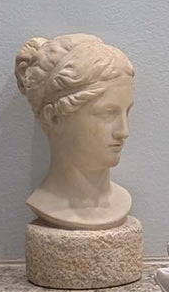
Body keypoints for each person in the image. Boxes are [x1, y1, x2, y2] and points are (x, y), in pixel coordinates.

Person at [15, 34, 135, 229]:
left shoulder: (123, 200)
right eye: (108, 113)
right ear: (53, 118)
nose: (124, 131)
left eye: (127, 112)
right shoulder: (45, 203)